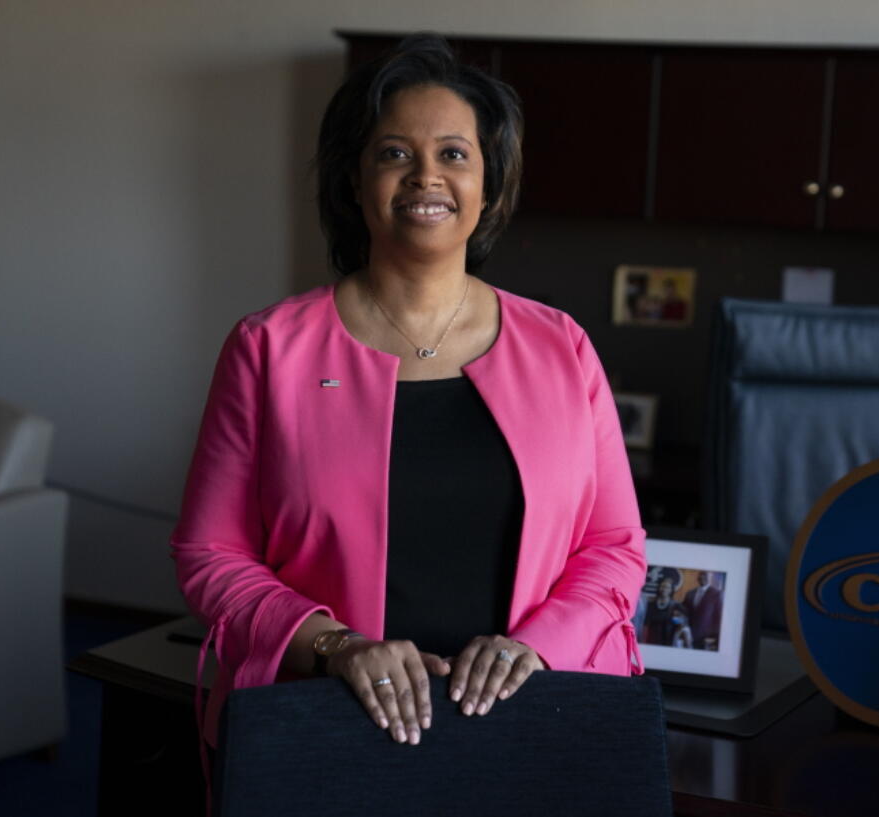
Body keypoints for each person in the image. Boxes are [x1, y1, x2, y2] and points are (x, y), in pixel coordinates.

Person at [170, 34, 646, 752]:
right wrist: (335, 646)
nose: (426, 176)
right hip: (329, 721)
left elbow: (614, 547)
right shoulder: (267, 348)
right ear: (354, 179)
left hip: (532, 715)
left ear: (489, 185)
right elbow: (211, 553)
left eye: (454, 154)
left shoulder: (562, 346)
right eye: (395, 153)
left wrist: (539, 646)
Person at [684, 571, 722, 650]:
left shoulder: (716, 594)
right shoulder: (690, 593)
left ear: (710, 577)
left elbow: (718, 617)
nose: (702, 577)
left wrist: (714, 637)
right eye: (700, 574)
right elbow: (684, 611)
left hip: (705, 638)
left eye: (705, 574)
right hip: (688, 636)